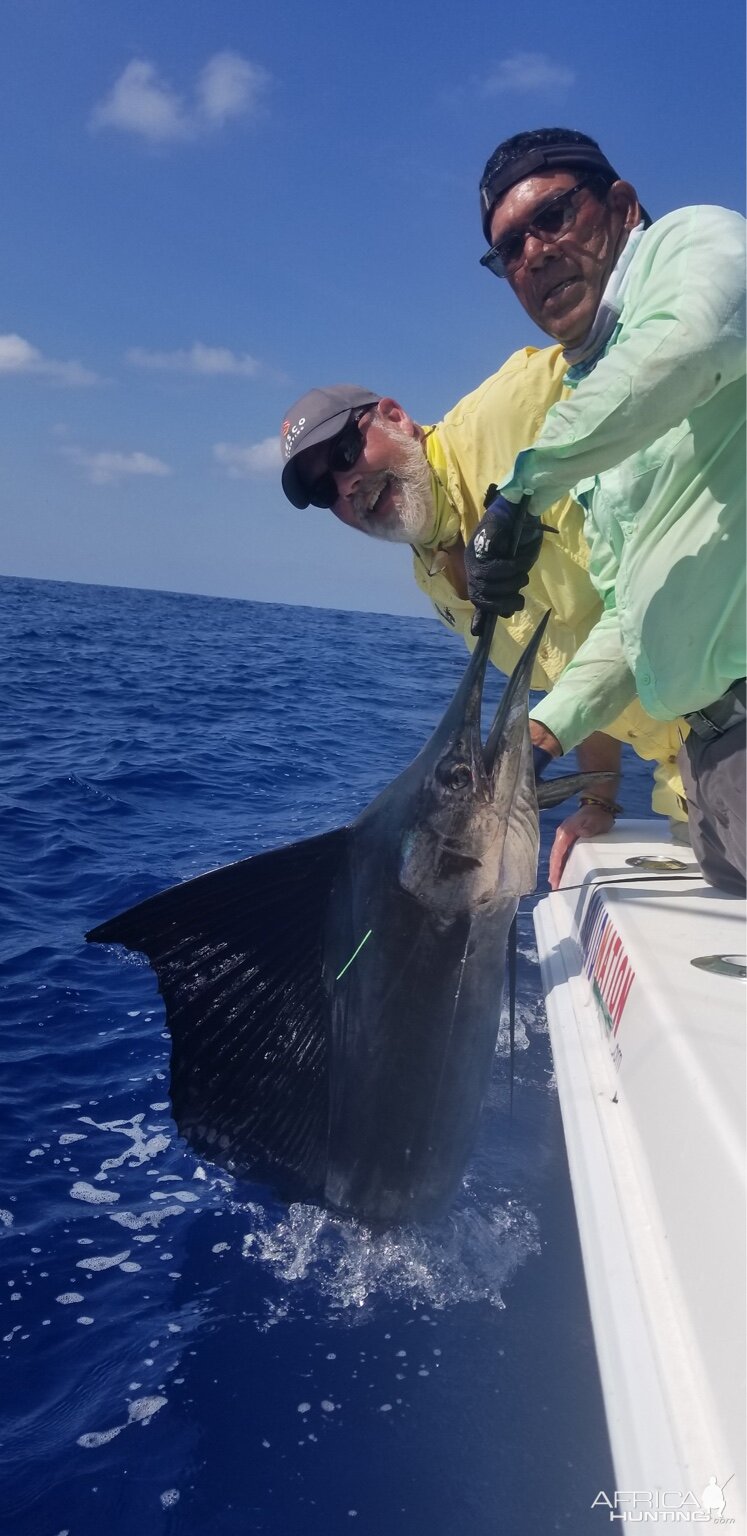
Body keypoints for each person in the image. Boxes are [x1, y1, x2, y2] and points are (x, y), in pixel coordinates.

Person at [279, 360, 688, 887]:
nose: (347, 483)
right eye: (323, 492)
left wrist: (545, 737)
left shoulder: (516, 403)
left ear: (395, 417)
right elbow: (573, 659)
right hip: (687, 775)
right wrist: (599, 796)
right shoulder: (431, 576)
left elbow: (659, 354)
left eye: (344, 453)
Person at [468, 127, 746, 895]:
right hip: (710, 764)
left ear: (621, 206)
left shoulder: (698, 241)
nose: (531, 254)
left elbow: (686, 345)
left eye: (551, 217)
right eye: (507, 250)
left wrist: (521, 492)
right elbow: (632, 614)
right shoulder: (600, 401)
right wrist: (540, 735)